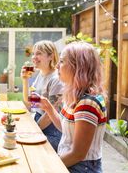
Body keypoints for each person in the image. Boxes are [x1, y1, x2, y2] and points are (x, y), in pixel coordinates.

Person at [36, 42, 107, 172]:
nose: (57, 66)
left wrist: (48, 167)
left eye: (62, 61)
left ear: (78, 67)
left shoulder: (87, 104)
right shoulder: (76, 96)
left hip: (81, 168)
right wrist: (48, 108)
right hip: (70, 162)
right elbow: (65, 129)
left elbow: (78, 154)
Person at [21, 40, 63, 151]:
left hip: (53, 131)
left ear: (51, 56)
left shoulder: (56, 80)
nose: (34, 57)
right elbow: (30, 102)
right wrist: (25, 80)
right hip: (40, 121)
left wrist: (34, 130)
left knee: (24, 147)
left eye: (39, 53)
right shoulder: (41, 74)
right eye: (33, 53)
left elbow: (50, 115)